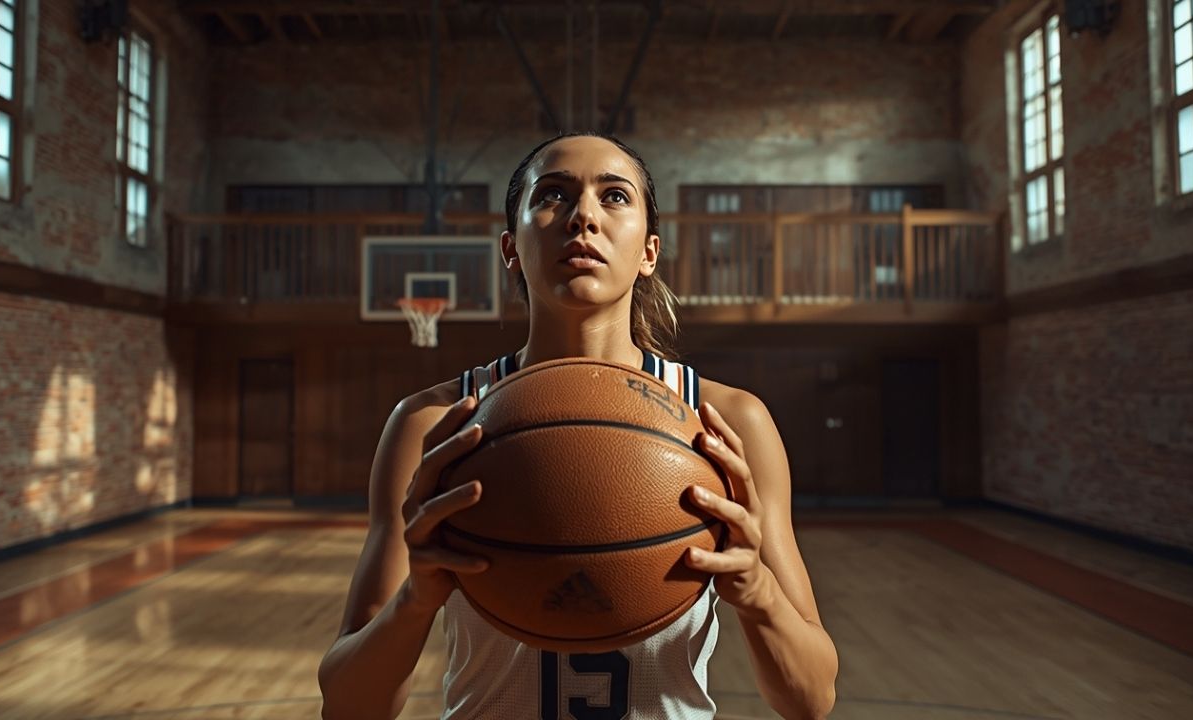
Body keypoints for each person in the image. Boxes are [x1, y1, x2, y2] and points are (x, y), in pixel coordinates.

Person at [318, 133, 839, 720]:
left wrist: (756, 591)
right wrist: (415, 601)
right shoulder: (435, 427)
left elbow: (812, 699)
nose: (583, 216)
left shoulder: (728, 422)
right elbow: (348, 709)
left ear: (649, 251)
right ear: (511, 247)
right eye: (553, 195)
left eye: (614, 196)